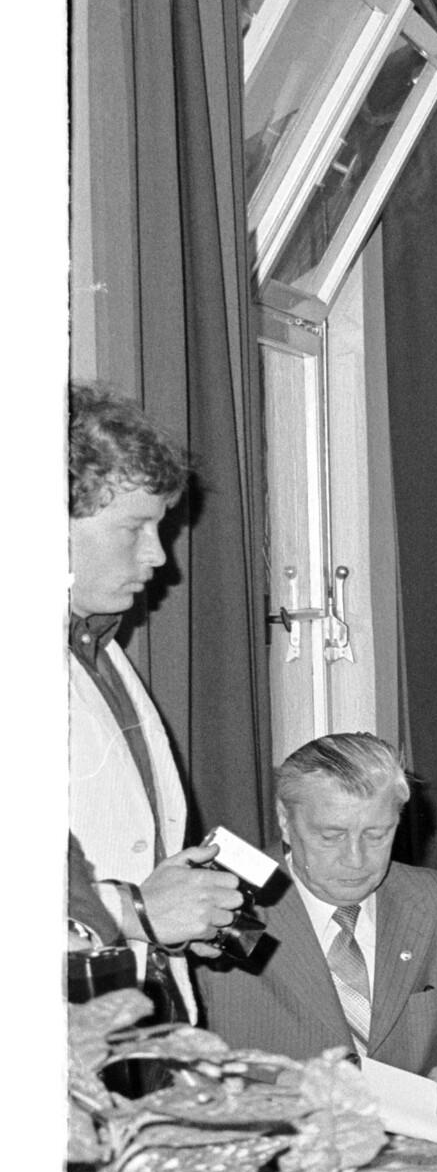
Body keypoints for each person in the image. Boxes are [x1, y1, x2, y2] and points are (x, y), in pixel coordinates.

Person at [194, 734, 437, 1122]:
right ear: (285, 822)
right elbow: (167, 1062)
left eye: (377, 834)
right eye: (331, 836)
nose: (356, 859)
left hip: (418, 1149)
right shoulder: (215, 909)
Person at [66, 384, 245, 1008]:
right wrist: (138, 911)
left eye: (159, 526)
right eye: (133, 527)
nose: (158, 555)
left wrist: (179, 916)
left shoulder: (97, 646)